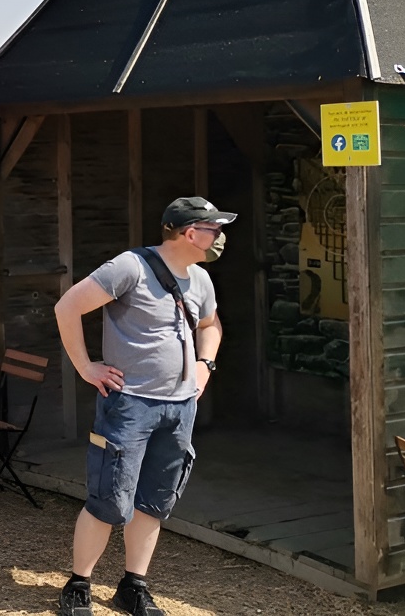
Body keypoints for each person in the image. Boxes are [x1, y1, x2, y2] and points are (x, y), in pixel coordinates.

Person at [53, 197, 232, 616]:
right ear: (191, 233)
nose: (219, 237)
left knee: (152, 501)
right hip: (129, 406)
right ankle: (78, 586)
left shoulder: (201, 279)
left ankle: (133, 586)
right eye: (214, 229)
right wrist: (86, 367)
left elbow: (210, 325)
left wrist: (205, 367)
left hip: (179, 407)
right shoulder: (129, 267)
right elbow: (67, 307)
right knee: (108, 500)